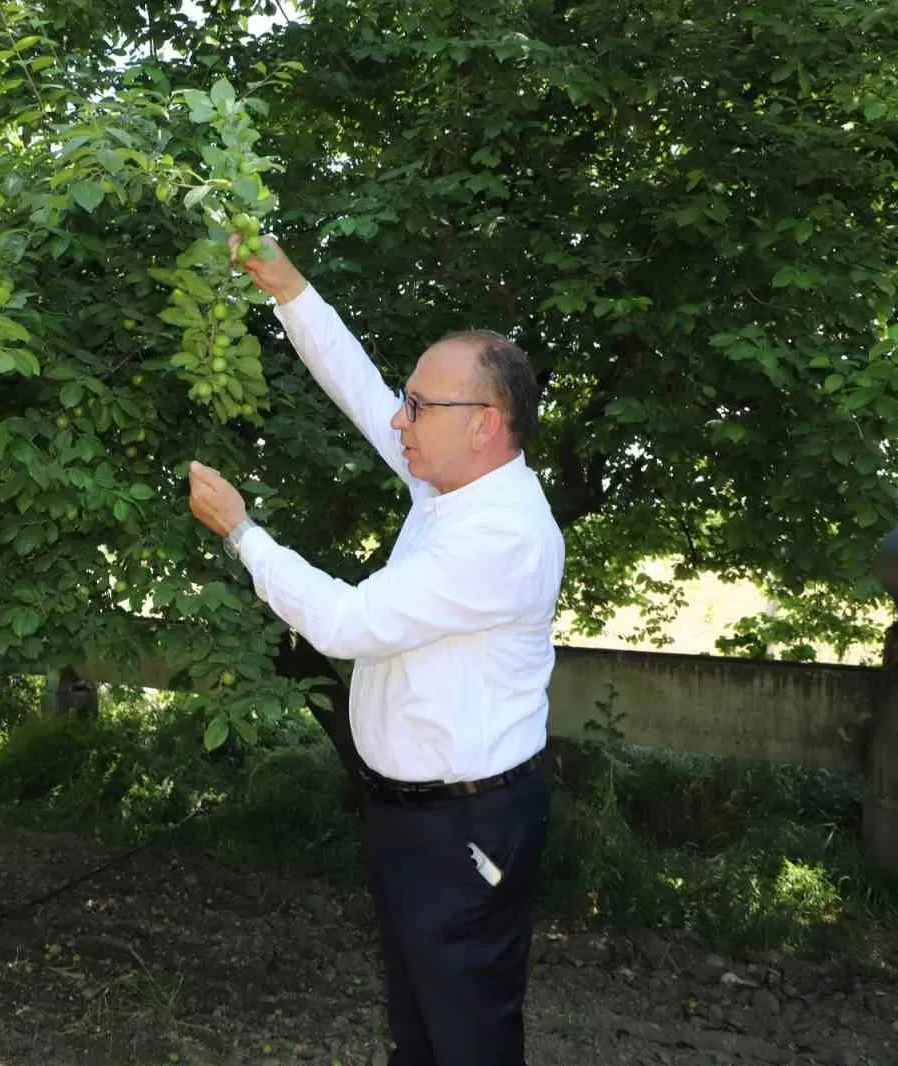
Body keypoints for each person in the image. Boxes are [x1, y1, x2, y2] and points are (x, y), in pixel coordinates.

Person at [187, 239, 565, 1066]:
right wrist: (289, 291)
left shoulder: (500, 535)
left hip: (468, 827)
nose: (402, 419)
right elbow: (361, 391)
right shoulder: (453, 484)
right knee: (418, 1025)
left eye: (420, 407)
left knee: (467, 1034)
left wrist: (243, 534)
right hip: (411, 817)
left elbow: (346, 624)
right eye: (410, 402)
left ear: (485, 426)